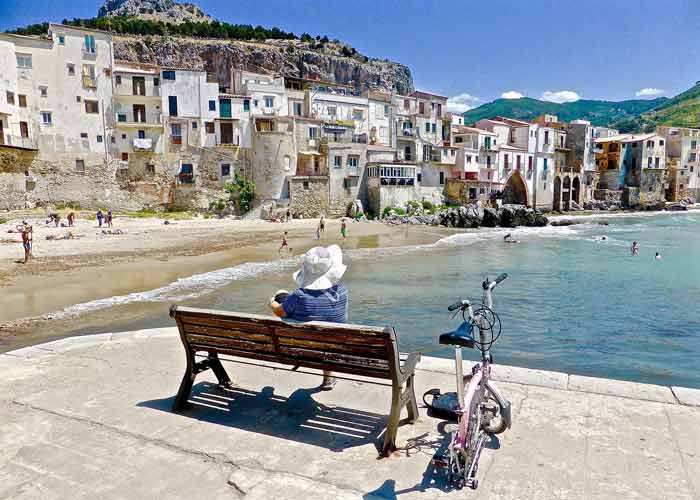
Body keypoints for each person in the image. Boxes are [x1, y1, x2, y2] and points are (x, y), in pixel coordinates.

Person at [268, 245, 348, 390]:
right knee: (326, 332)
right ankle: (328, 379)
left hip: (302, 348)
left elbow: (279, 312)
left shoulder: (300, 295)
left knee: (282, 295)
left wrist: (271, 302)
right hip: (333, 346)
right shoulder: (342, 291)